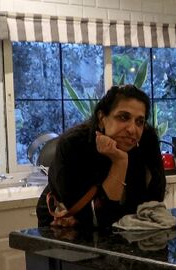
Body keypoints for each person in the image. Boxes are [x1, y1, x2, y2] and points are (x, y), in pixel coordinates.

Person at [37, 84, 166, 228]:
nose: (132, 129)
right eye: (123, 117)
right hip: (59, 224)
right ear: (101, 118)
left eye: (139, 122)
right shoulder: (74, 144)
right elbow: (97, 218)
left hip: (121, 226)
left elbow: (155, 201)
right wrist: (120, 162)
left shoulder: (147, 140)